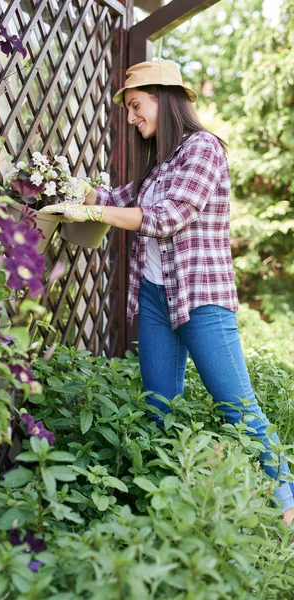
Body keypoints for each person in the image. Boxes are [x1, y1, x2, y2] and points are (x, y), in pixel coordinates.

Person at [40, 59, 294, 526]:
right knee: (159, 408)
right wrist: (64, 192)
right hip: (156, 299)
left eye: (137, 106)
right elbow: (114, 200)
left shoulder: (204, 149)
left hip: (201, 297)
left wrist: (97, 217)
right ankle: (169, 508)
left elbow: (168, 217)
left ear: (164, 98)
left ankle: (287, 506)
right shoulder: (158, 166)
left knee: (236, 407)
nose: (133, 118)